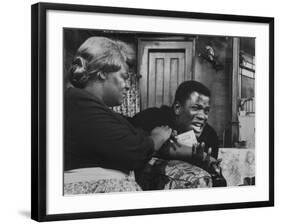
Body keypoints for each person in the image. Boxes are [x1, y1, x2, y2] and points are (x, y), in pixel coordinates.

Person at [64, 36, 172, 194]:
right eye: (124, 77)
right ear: (102, 73)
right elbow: (133, 153)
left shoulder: (89, 106)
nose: (127, 86)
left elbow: (129, 133)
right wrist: (157, 138)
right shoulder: (78, 104)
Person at [130, 80, 225, 189]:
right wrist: (193, 154)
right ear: (177, 108)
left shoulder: (210, 135)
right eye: (195, 108)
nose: (202, 116)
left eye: (206, 111)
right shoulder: (153, 117)